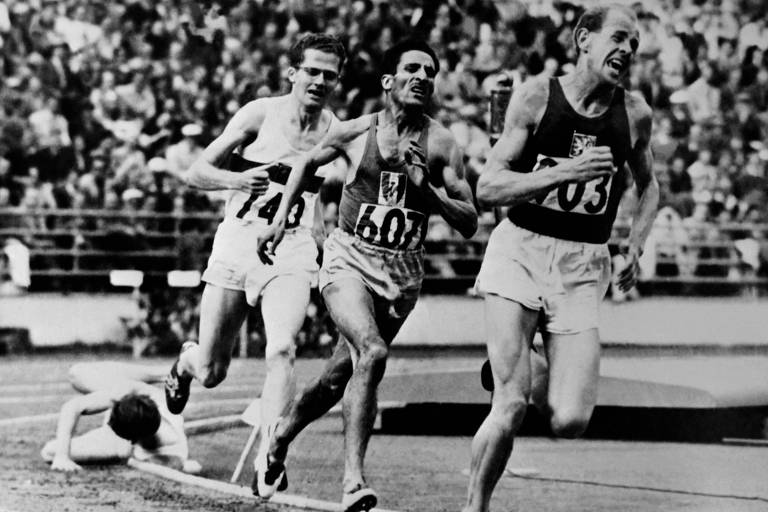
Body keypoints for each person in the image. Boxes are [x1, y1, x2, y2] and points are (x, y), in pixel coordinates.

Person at [255, 38, 478, 512]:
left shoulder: (440, 143)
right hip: (349, 260)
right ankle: (353, 482)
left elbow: (469, 221)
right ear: (388, 81)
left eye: (430, 71)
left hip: (402, 274)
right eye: (412, 68)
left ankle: (280, 434)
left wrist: (429, 193)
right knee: (371, 352)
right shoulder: (357, 132)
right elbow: (302, 164)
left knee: (339, 376)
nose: (422, 77)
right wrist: (280, 220)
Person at [465, 5, 659, 512]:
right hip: (521, 250)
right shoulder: (535, 96)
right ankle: (474, 507)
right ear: (583, 40)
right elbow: (488, 187)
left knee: (570, 420)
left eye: (634, 44)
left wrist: (636, 241)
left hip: (582, 265)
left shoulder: (635, 113)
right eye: (619, 38)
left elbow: (650, 185)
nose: (627, 51)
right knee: (508, 403)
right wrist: (564, 172)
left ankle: (523, 356)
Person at [162, 33, 347, 486]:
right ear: (293, 73)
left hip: (291, 250)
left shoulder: (334, 129)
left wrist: (323, 244)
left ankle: (271, 455)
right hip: (238, 244)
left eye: (329, 74)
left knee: (282, 348)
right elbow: (196, 171)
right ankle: (185, 363)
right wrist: (237, 180)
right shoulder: (260, 113)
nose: (319, 81)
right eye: (312, 71)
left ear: (338, 80)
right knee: (211, 371)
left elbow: (317, 196)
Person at [41, 362, 200, 474]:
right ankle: (164, 373)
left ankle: (165, 373)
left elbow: (187, 465)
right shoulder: (149, 396)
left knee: (49, 452)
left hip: (123, 443)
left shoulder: (171, 448)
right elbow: (71, 407)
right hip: (135, 418)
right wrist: (63, 456)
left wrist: (60, 455)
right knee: (77, 373)